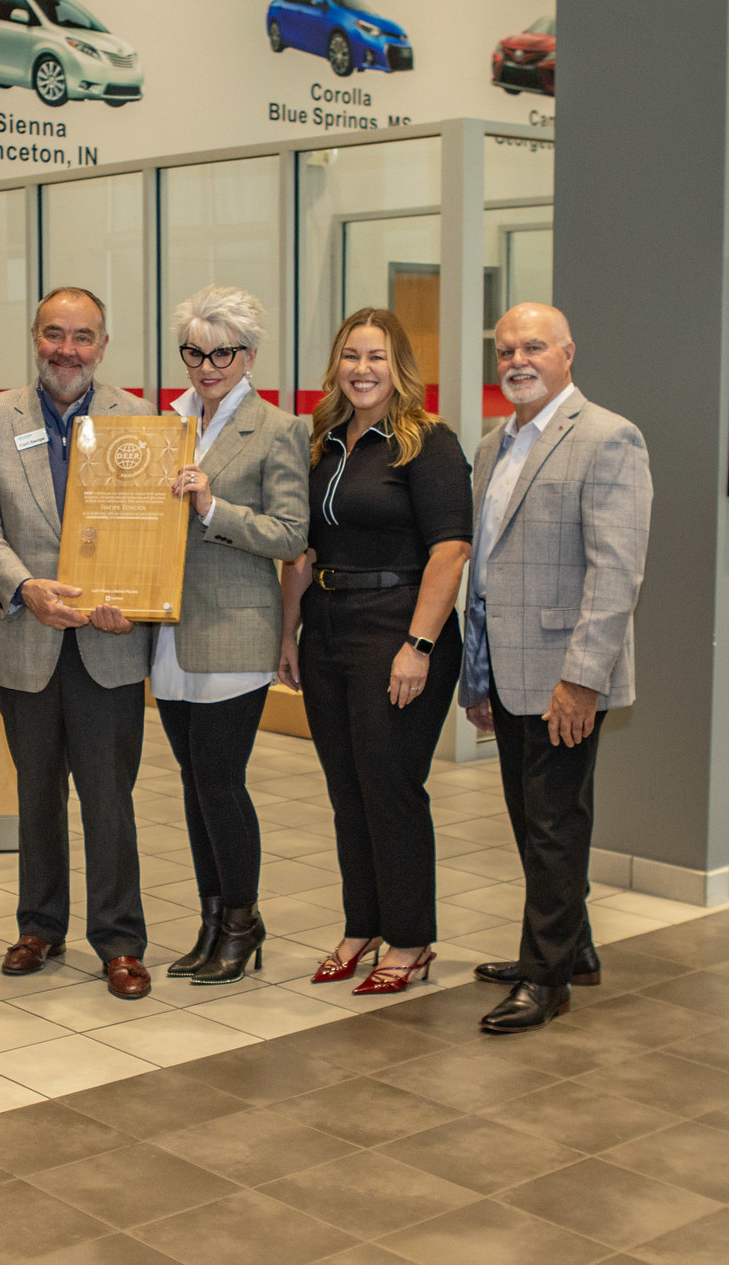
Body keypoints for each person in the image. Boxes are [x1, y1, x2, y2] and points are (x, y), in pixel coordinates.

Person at [0, 287, 157, 1000]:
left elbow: (151, 533)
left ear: (103, 346)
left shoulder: (141, 421)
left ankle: (120, 941)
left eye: (82, 337)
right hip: (24, 634)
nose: (66, 350)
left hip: (109, 643)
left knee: (110, 798)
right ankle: (38, 926)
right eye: (53, 334)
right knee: (35, 792)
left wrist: (133, 600)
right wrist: (24, 589)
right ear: (34, 338)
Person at [461, 302, 651, 1034]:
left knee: (553, 826)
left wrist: (582, 679)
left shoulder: (607, 438)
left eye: (533, 346)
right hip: (508, 673)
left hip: (564, 675)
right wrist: (479, 679)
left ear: (567, 352)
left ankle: (546, 979)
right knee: (531, 818)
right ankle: (573, 948)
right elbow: (485, 573)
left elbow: (617, 572)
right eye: (506, 348)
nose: (517, 359)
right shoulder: (492, 445)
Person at [278, 308, 473, 996]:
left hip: (398, 627)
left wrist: (418, 645)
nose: (362, 369)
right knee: (346, 789)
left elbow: (450, 551)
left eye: (378, 357)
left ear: (401, 367)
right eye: (352, 356)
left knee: (389, 786)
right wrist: (287, 633)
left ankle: (411, 938)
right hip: (328, 625)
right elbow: (302, 551)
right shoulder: (322, 441)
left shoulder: (427, 442)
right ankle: (362, 924)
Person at [154, 286, 309, 986]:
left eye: (222, 353)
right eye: (194, 352)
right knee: (192, 785)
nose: (206, 366)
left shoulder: (277, 429)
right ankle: (212, 919)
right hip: (170, 631)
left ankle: (243, 923)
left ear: (249, 355)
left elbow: (291, 534)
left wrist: (212, 506)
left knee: (220, 781)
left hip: (238, 629)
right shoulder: (168, 422)